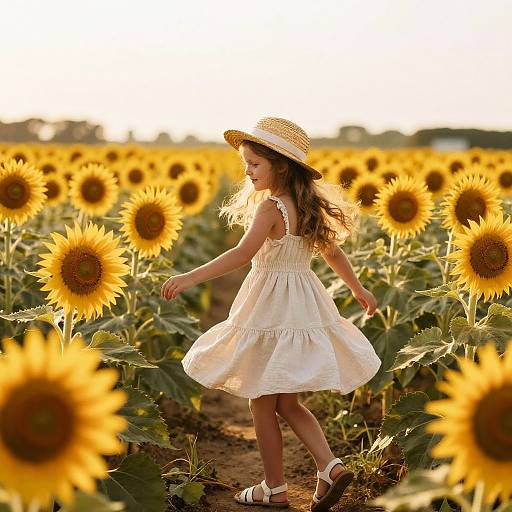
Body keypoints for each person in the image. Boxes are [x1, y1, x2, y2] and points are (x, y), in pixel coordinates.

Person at [161, 117, 381, 511]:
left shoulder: (270, 209)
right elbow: (332, 252)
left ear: (280, 165)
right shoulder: (307, 205)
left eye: (254, 164)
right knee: (288, 403)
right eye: (246, 163)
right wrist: (356, 288)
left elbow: (242, 255)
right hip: (301, 305)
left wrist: (190, 277)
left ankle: (274, 488)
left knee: (262, 402)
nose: (247, 171)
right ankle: (329, 466)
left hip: (268, 307)